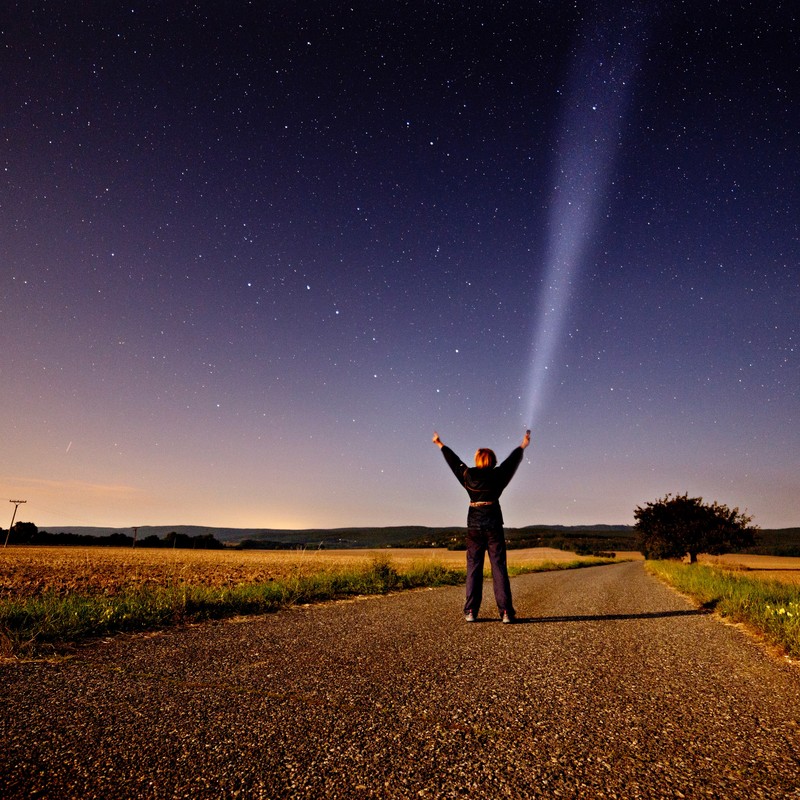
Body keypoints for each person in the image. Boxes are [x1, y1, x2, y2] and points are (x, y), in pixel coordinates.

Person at [432, 429, 531, 623]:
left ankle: (470, 611)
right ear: (493, 461)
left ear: (478, 460)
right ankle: (505, 613)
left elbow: (454, 461)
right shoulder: (499, 475)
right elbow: (511, 462)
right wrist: (522, 446)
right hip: (493, 524)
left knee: (473, 568)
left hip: (474, 526)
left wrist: (440, 444)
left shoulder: (468, 474)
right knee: (499, 567)